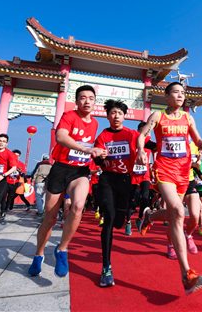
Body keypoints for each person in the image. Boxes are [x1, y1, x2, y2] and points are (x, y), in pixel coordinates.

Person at [135, 81, 202, 295]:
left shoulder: (188, 117)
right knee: (177, 210)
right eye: (176, 92)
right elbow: (142, 135)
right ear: (166, 96)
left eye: (183, 93)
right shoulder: (157, 116)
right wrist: (140, 150)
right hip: (164, 170)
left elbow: (199, 140)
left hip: (184, 173)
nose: (180, 95)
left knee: (174, 212)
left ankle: (149, 217)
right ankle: (187, 274)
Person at [29, 85, 106, 277]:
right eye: (82, 98)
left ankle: (61, 249)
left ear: (95, 102)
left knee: (78, 206)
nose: (87, 101)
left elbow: (93, 148)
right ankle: (38, 254)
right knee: (50, 219)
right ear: (76, 100)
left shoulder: (95, 123)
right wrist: (86, 149)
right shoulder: (69, 116)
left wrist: (98, 154)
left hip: (80, 171)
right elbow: (61, 137)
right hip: (60, 169)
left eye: (91, 98)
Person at [92, 99, 144, 286]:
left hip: (126, 182)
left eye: (119, 113)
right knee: (108, 217)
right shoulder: (102, 136)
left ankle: (121, 219)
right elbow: (96, 161)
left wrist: (145, 150)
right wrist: (100, 158)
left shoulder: (131, 133)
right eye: (112, 113)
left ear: (124, 116)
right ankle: (106, 266)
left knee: (119, 222)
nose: (116, 116)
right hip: (108, 179)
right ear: (107, 116)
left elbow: (147, 143)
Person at [1, 149, 31, 217]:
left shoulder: (21, 164)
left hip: (15, 183)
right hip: (6, 182)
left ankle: (6, 209)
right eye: (14, 155)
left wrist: (20, 172)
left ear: (19, 157)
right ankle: (3, 210)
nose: (15, 157)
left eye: (17, 156)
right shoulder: (7, 162)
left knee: (10, 197)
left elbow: (23, 175)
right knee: (3, 196)